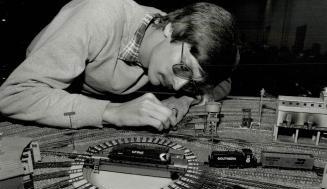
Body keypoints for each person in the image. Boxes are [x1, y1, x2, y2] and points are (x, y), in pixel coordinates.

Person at [0, 0, 239, 130]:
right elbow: (12, 95)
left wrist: (185, 99)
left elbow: (223, 83)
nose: (177, 85)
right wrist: (111, 112)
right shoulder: (97, 16)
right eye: (182, 68)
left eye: (190, 82)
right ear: (170, 30)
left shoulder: (181, 36)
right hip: (46, 92)